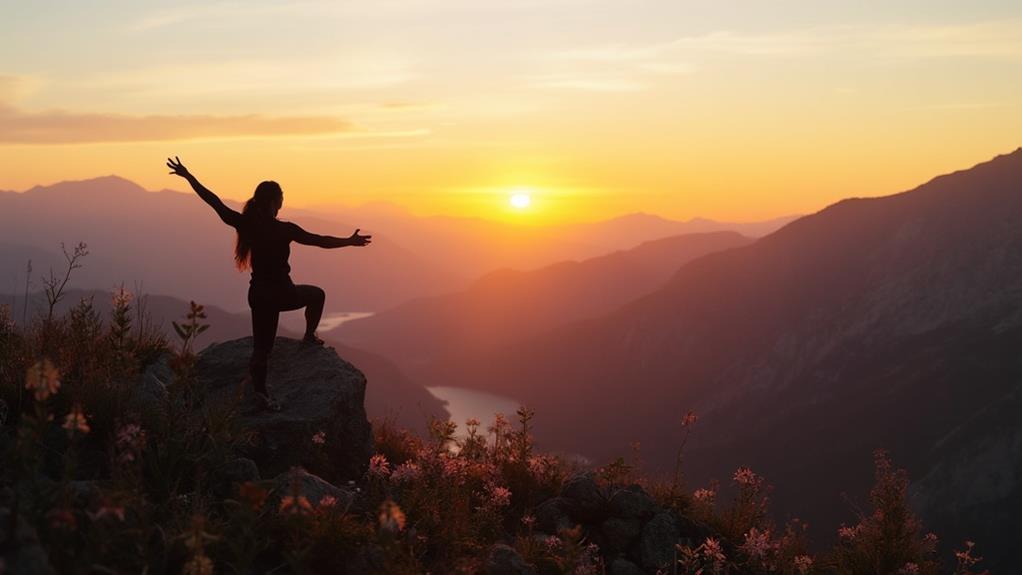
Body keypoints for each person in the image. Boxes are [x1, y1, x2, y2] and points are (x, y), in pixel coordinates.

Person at [167, 156, 371, 411]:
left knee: (262, 348)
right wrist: (349, 241)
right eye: (281, 198)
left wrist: (188, 176)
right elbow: (320, 240)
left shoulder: (246, 223)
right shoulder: (284, 229)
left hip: (258, 295)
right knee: (317, 295)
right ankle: (309, 337)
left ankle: (260, 393)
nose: (283, 202)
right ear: (275, 201)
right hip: (282, 294)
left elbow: (213, 201)